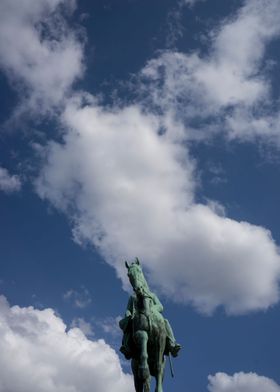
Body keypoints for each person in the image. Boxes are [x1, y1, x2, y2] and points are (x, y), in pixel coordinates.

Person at [119, 290, 181, 359]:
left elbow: (160, 306)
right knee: (128, 325)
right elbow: (128, 309)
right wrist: (128, 315)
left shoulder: (152, 295)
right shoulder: (132, 296)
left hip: (152, 315)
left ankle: (172, 344)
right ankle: (126, 347)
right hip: (136, 318)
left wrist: (151, 309)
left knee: (165, 322)